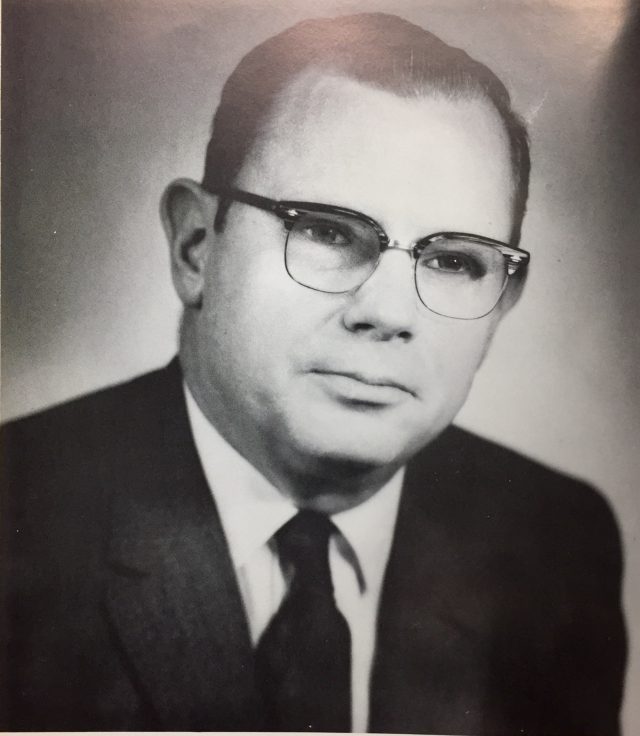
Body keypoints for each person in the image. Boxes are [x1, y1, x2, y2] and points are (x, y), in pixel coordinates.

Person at [1, 12, 627, 735]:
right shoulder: (22, 519)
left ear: (501, 305)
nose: (389, 312)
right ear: (197, 247)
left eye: (455, 259)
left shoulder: (556, 542)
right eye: (327, 230)